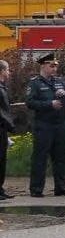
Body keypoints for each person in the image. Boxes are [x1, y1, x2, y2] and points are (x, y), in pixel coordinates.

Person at [26, 54, 65, 198]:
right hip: (43, 125)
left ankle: (61, 188)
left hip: (59, 124)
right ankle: (36, 189)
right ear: (43, 65)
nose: (54, 68)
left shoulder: (60, 82)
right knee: (40, 158)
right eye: (51, 65)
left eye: (56, 65)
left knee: (60, 157)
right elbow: (30, 103)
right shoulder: (35, 83)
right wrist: (49, 104)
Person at [0, 60, 13, 201]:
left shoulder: (2, 87)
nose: (9, 72)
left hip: (3, 128)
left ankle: (1, 189)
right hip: (1, 126)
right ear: (2, 71)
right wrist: (10, 125)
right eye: (7, 69)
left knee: (3, 159)